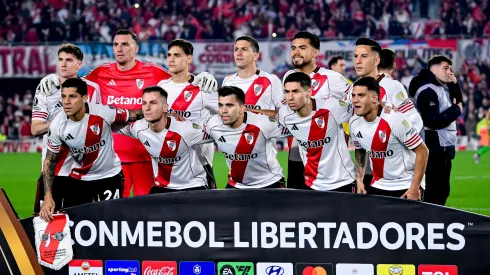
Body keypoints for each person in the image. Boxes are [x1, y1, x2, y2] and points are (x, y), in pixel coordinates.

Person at [38, 30, 218, 198]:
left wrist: (201, 78)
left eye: (125, 44)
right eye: (116, 44)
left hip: (146, 158)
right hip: (112, 162)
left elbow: (179, 81)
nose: (119, 48)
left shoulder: (153, 72)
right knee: (113, 215)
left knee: (148, 213)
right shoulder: (100, 73)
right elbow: (75, 84)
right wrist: (54, 78)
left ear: (136, 49)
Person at [39, 78, 144, 222]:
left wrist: (164, 114)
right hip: (80, 178)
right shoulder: (58, 125)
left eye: (72, 96)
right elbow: (49, 160)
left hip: (109, 176)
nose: (66, 102)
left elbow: (134, 114)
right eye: (63, 96)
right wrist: (48, 197)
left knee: (111, 221)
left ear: (84, 98)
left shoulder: (104, 112)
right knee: (75, 223)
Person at [31, 43, 101, 214]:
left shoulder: (92, 89)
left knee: (81, 226)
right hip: (52, 171)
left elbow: (97, 127)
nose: (63, 64)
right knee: (45, 227)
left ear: (79, 64)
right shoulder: (46, 88)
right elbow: (35, 129)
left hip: (83, 172)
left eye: (69, 60)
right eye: (61, 59)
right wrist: (62, 120)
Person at [283, 31, 351, 189]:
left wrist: (349, 132)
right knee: (297, 207)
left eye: (302, 47)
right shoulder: (289, 76)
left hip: (326, 159)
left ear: (315, 52)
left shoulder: (331, 78)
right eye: (293, 48)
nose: (296, 52)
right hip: (297, 154)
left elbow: (358, 103)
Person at [351, 38, 423, 185]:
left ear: (377, 60)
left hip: (397, 170)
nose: (358, 61)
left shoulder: (391, 86)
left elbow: (415, 118)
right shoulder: (352, 90)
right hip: (371, 168)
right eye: (355, 56)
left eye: (364, 56)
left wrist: (399, 127)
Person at [119, 86, 211, 193]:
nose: (147, 107)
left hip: (192, 187)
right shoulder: (139, 128)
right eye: (144, 103)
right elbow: (114, 126)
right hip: (162, 187)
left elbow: (219, 134)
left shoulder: (185, 129)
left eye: (153, 103)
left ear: (165, 107)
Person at [349, 77, 429, 200]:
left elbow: (422, 151)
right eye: (353, 96)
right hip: (378, 184)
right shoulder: (354, 123)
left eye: (361, 95)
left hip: (404, 185)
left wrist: (415, 187)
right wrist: (359, 179)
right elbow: (360, 149)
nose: (355, 100)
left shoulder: (394, 119)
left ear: (375, 98)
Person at [277, 72, 355, 192]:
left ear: (309, 92)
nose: (290, 97)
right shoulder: (285, 115)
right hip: (312, 185)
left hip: (342, 182)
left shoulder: (331, 107)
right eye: (287, 92)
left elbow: (361, 110)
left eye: (296, 91)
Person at [198, 86, 289, 188]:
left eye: (229, 105)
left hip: (269, 182)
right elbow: (187, 132)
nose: (223, 110)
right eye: (220, 105)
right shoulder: (212, 125)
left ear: (242, 108)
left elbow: (295, 125)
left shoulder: (262, 124)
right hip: (237, 184)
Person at [157, 39, 218, 188]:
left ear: (189, 58)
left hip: (197, 171)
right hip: (167, 169)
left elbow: (228, 115)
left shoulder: (203, 87)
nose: (171, 59)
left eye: (177, 55)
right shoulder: (161, 87)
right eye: (169, 55)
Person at [408, 55, 463, 205]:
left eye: (450, 68)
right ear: (433, 69)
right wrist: (456, 111)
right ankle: (430, 224)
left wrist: (455, 84)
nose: (449, 72)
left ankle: (434, 223)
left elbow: (458, 103)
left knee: (442, 190)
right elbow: (432, 121)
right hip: (433, 145)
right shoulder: (427, 90)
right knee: (435, 192)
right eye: (445, 68)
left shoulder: (440, 87)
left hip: (443, 144)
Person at [222, 36, 286, 115]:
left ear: (255, 56)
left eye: (244, 49)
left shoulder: (271, 80)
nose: (238, 53)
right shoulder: (228, 81)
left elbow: (284, 114)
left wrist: (247, 112)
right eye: (236, 49)